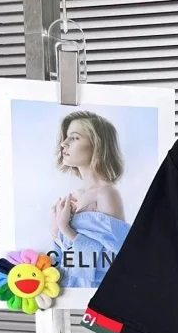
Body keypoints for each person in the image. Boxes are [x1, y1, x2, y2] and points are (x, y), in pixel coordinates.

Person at [49, 110, 132, 287]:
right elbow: (64, 260)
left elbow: (117, 259)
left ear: (97, 145)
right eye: (66, 137)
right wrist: (56, 233)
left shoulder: (106, 194)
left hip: (96, 292)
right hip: (70, 290)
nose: (64, 144)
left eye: (74, 138)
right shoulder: (75, 196)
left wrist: (66, 230)